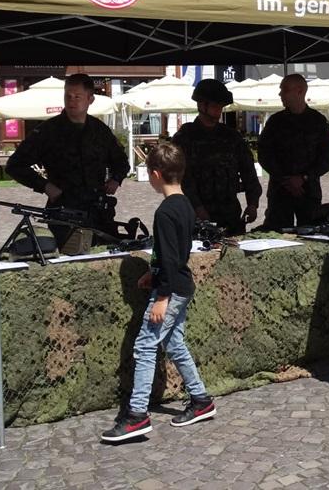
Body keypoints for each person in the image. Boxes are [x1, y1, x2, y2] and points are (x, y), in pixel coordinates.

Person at [101, 142, 215, 442]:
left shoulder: (165, 212)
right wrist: (152, 274)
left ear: (155, 174)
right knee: (174, 344)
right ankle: (201, 400)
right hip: (180, 284)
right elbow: (173, 252)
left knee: (145, 346)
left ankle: (137, 415)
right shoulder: (186, 205)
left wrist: (162, 296)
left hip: (171, 290)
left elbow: (170, 256)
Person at [5, 73, 129, 247]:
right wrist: (45, 186)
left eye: (77, 97)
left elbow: (121, 161)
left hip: (98, 211)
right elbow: (15, 165)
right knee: (69, 256)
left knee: (104, 255)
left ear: (90, 99)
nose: (71, 101)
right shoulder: (48, 131)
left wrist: (116, 178)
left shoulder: (100, 131)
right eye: (68, 96)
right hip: (64, 210)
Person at [172, 79, 262, 236]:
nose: (219, 110)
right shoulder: (184, 138)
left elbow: (248, 171)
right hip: (197, 217)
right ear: (202, 105)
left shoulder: (232, 137)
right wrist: (197, 207)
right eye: (215, 106)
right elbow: (182, 178)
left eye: (221, 106)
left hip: (230, 216)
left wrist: (252, 203)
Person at [257, 74, 329, 229]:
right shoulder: (275, 122)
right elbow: (264, 154)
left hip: (308, 192)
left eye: (285, 90)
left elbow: (327, 157)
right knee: (277, 235)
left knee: (311, 234)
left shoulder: (317, 121)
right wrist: (286, 179)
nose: (280, 94)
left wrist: (304, 177)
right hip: (280, 192)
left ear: (300, 91)